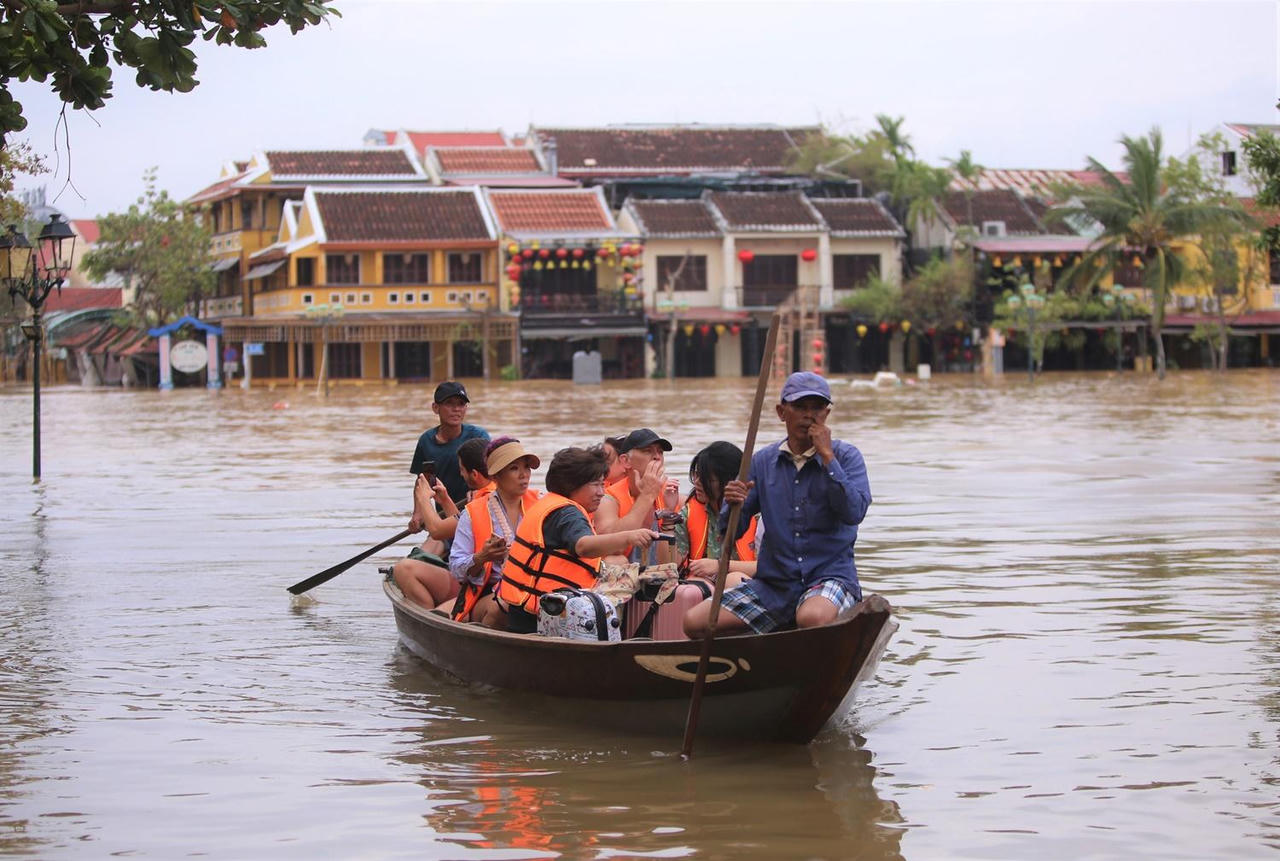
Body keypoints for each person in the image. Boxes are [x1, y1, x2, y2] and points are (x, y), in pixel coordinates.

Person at [684, 371, 871, 637]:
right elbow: (728, 535)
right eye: (800, 407)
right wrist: (733, 504)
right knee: (695, 622)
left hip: (828, 577)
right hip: (774, 586)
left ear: (826, 414)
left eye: (816, 408)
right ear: (782, 412)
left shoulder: (846, 456)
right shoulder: (762, 462)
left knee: (812, 617)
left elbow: (854, 512)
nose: (809, 416)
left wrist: (828, 458)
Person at [497, 446, 660, 634]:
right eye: (596, 485)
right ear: (571, 485)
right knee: (638, 580)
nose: (602, 492)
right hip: (545, 618)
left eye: (603, 484)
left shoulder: (552, 503)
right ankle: (625, 639)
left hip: (528, 613)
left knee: (623, 567)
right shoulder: (567, 513)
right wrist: (630, 536)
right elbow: (583, 546)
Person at [448, 437, 543, 628]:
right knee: (505, 603)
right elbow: (456, 569)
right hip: (491, 594)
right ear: (495, 477)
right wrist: (482, 557)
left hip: (536, 591)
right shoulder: (473, 512)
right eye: (514, 469)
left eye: (526, 468)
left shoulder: (543, 503)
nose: (524, 475)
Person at [395, 437, 492, 611]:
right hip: (479, 577)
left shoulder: (486, 500)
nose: (461, 474)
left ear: (475, 474)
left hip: (479, 584)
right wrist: (446, 500)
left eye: (462, 470)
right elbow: (463, 527)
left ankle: (425, 615)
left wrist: (424, 498)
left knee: (403, 570)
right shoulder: (493, 493)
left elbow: (437, 531)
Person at [672, 440, 758, 589]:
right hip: (703, 587)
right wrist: (667, 515)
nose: (697, 483)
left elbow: (770, 567)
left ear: (729, 482)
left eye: (707, 480)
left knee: (734, 580)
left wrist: (720, 566)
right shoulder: (689, 512)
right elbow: (670, 565)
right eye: (696, 475)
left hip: (746, 588)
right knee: (694, 588)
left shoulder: (758, 516)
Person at [592, 427, 680, 563]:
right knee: (615, 560)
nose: (656, 457)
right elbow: (610, 549)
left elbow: (674, 563)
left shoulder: (672, 495)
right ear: (626, 461)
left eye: (660, 452)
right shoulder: (607, 499)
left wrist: (669, 514)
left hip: (660, 575)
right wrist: (646, 496)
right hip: (622, 578)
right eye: (647, 451)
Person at [410, 381, 490, 506]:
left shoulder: (478, 437)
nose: (456, 409)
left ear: (466, 409)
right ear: (435, 408)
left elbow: (493, 475)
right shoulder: (425, 441)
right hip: (444, 515)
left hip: (477, 505)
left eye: (461, 404)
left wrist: (480, 492)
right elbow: (421, 482)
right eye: (449, 403)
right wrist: (418, 511)